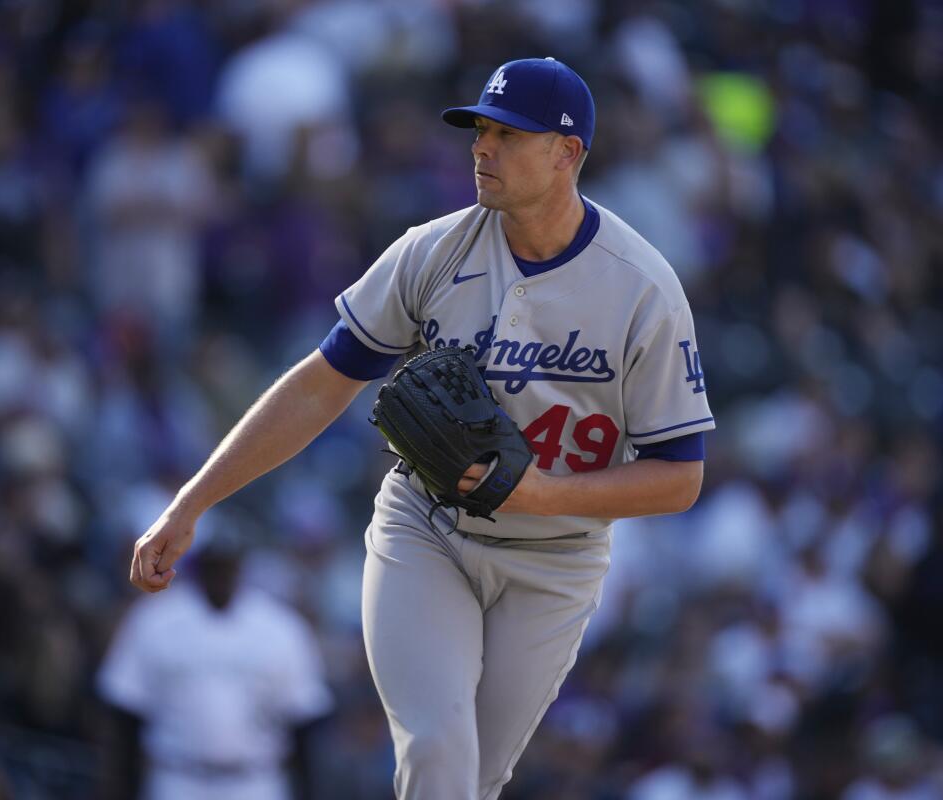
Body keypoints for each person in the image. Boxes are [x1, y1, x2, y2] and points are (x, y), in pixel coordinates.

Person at [130, 57, 715, 799]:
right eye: (480, 130)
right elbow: (317, 388)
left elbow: (680, 476)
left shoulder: (643, 288)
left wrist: (537, 494)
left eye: (507, 134)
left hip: (555, 561)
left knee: (477, 781)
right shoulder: (434, 251)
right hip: (427, 529)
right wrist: (190, 505)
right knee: (439, 758)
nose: (482, 147)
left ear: (567, 153)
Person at [103, 516, 332, 800]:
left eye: (228, 562)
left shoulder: (281, 627)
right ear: (198, 564)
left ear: (242, 565)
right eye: (213, 562)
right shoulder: (154, 619)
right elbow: (124, 712)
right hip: (176, 776)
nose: (221, 571)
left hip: (256, 779)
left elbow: (304, 723)